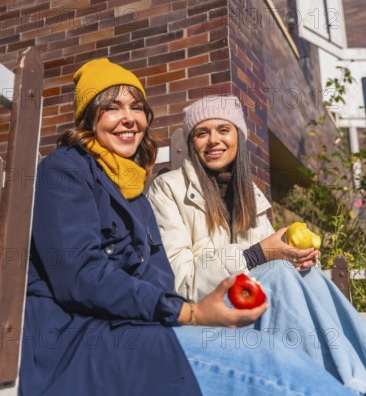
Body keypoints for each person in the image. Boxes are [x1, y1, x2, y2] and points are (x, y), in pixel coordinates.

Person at [19, 61, 357, 396]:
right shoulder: (67, 171)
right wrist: (192, 310)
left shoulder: (133, 190)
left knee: (288, 300)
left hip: (150, 324)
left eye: (137, 107)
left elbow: (157, 280)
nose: (129, 117)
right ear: (89, 118)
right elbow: (83, 277)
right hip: (85, 339)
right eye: (112, 107)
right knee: (268, 352)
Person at [147, 94, 366, 395]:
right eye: (202, 132)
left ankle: (359, 380)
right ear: (191, 142)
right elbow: (179, 281)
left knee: (308, 275)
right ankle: (341, 387)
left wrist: (294, 257)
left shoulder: (250, 194)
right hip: (208, 317)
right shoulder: (168, 189)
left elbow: (272, 258)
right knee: (276, 273)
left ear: (238, 136)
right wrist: (256, 255)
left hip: (254, 310)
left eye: (223, 129)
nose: (213, 140)